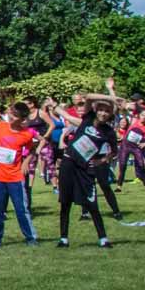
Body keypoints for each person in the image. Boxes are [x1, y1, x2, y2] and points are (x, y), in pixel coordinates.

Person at [53, 91, 120, 249]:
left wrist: (100, 161)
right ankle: (63, 239)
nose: (103, 113)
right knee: (65, 202)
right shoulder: (88, 118)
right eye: (101, 110)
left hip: (85, 169)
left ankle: (103, 239)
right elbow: (89, 97)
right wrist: (111, 98)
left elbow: (114, 152)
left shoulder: (109, 132)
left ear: (110, 114)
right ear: (96, 111)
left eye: (107, 111)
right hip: (68, 163)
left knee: (92, 203)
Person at [0, 101, 41, 246]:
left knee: (21, 209)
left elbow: (33, 149)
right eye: (11, 113)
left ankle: (30, 237)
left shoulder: (26, 134)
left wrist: (26, 162)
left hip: (15, 177)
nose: (10, 116)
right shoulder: (0, 127)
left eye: (15, 115)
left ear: (22, 119)